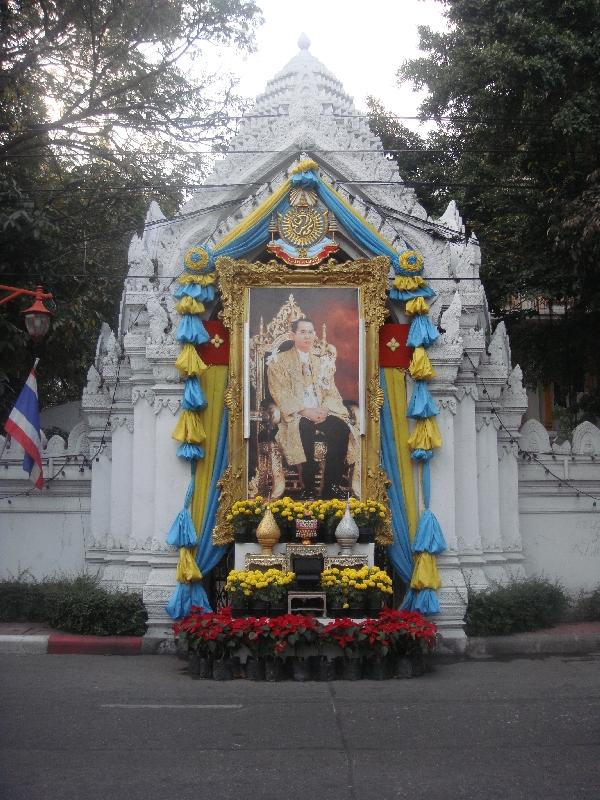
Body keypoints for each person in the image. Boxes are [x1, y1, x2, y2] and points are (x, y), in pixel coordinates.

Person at [267, 318, 351, 499]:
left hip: (321, 412)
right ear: (293, 335)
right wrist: (305, 411)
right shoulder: (278, 362)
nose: (308, 336)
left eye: (311, 332)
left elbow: (331, 391)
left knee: (341, 429)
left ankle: (331, 487)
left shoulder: (322, 362)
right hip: (296, 414)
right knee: (304, 429)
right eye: (303, 332)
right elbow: (280, 392)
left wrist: (325, 409)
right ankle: (309, 488)